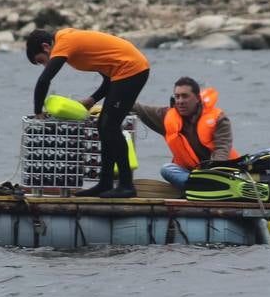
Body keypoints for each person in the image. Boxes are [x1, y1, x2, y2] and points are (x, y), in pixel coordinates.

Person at [26, 27, 150, 198]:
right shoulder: (69, 40)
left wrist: (38, 111)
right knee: (103, 126)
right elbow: (108, 77)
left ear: (46, 47)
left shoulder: (64, 43)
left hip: (132, 70)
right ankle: (105, 183)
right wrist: (92, 100)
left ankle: (127, 185)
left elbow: (44, 80)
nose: (45, 65)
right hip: (124, 71)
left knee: (110, 127)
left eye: (42, 61)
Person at [132, 76, 237, 189]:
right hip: (192, 174)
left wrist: (212, 175)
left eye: (185, 96)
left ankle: (204, 187)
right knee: (167, 169)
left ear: (197, 98)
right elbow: (138, 108)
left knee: (217, 177)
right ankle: (200, 188)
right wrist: (114, 99)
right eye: (177, 97)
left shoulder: (218, 118)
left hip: (222, 173)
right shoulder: (167, 116)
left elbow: (222, 149)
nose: (180, 101)